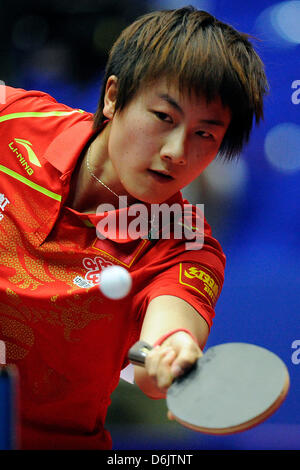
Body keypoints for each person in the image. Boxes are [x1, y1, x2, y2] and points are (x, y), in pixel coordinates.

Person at [0, 6, 268, 450]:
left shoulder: (185, 245)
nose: (177, 151)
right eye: (164, 117)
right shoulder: (15, 121)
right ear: (113, 97)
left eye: (206, 134)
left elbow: (162, 347)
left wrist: (172, 353)